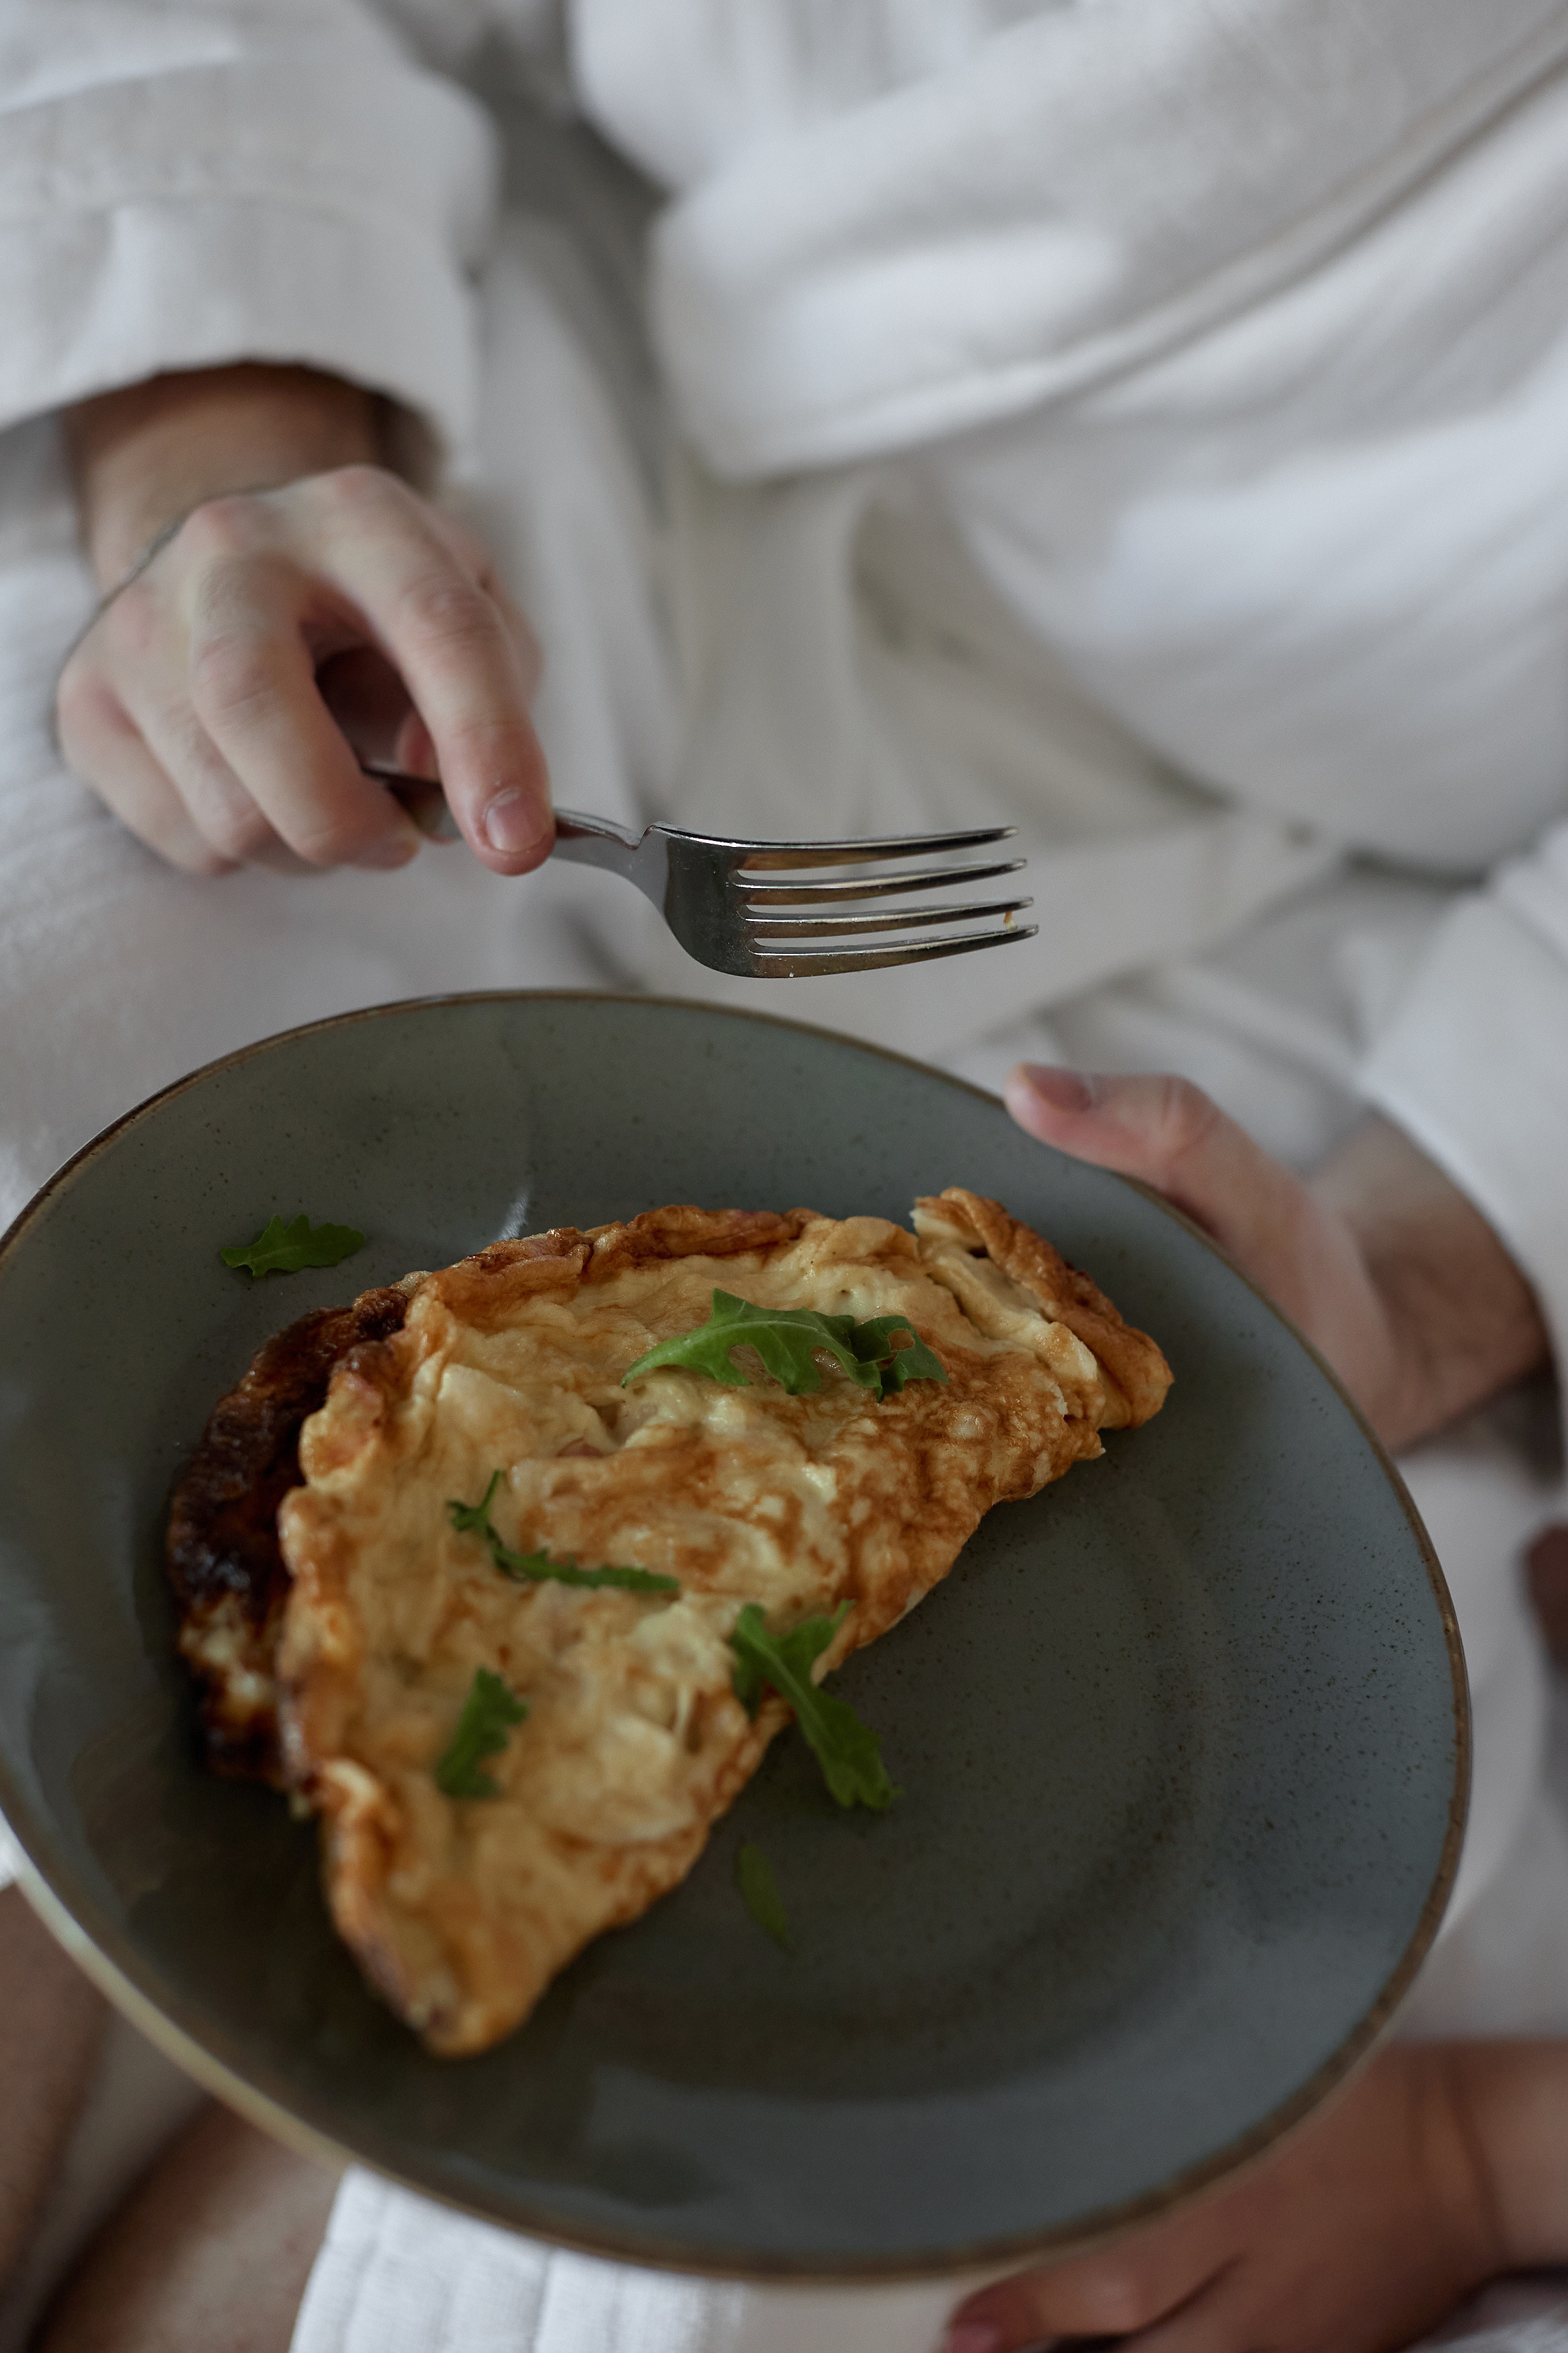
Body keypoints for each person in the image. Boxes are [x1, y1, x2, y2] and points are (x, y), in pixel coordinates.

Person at [2, 3, 1568, 2348]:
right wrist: (225, 460)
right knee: (68, 987)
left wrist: (1427, 1278)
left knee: (918, 2086)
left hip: (1383, 986)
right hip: (530, 477)